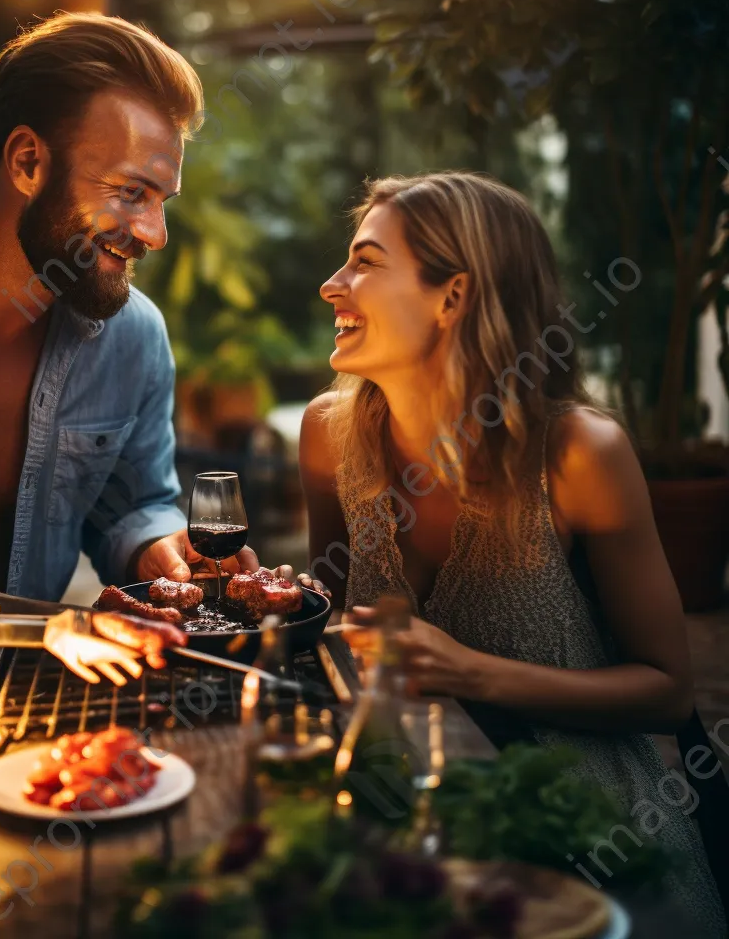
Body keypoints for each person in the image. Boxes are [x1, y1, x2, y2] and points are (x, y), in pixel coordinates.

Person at [299, 172, 725, 935]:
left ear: (452, 297)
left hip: (584, 834)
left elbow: (668, 692)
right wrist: (263, 604)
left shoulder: (577, 455)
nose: (335, 285)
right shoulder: (328, 437)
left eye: (365, 262)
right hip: (397, 815)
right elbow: (329, 633)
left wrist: (470, 671)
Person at [0, 12, 257, 601]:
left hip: (19, 678)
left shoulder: (134, 338)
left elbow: (136, 505)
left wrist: (156, 545)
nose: (156, 233)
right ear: (28, 161)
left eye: (162, 202)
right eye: (131, 192)